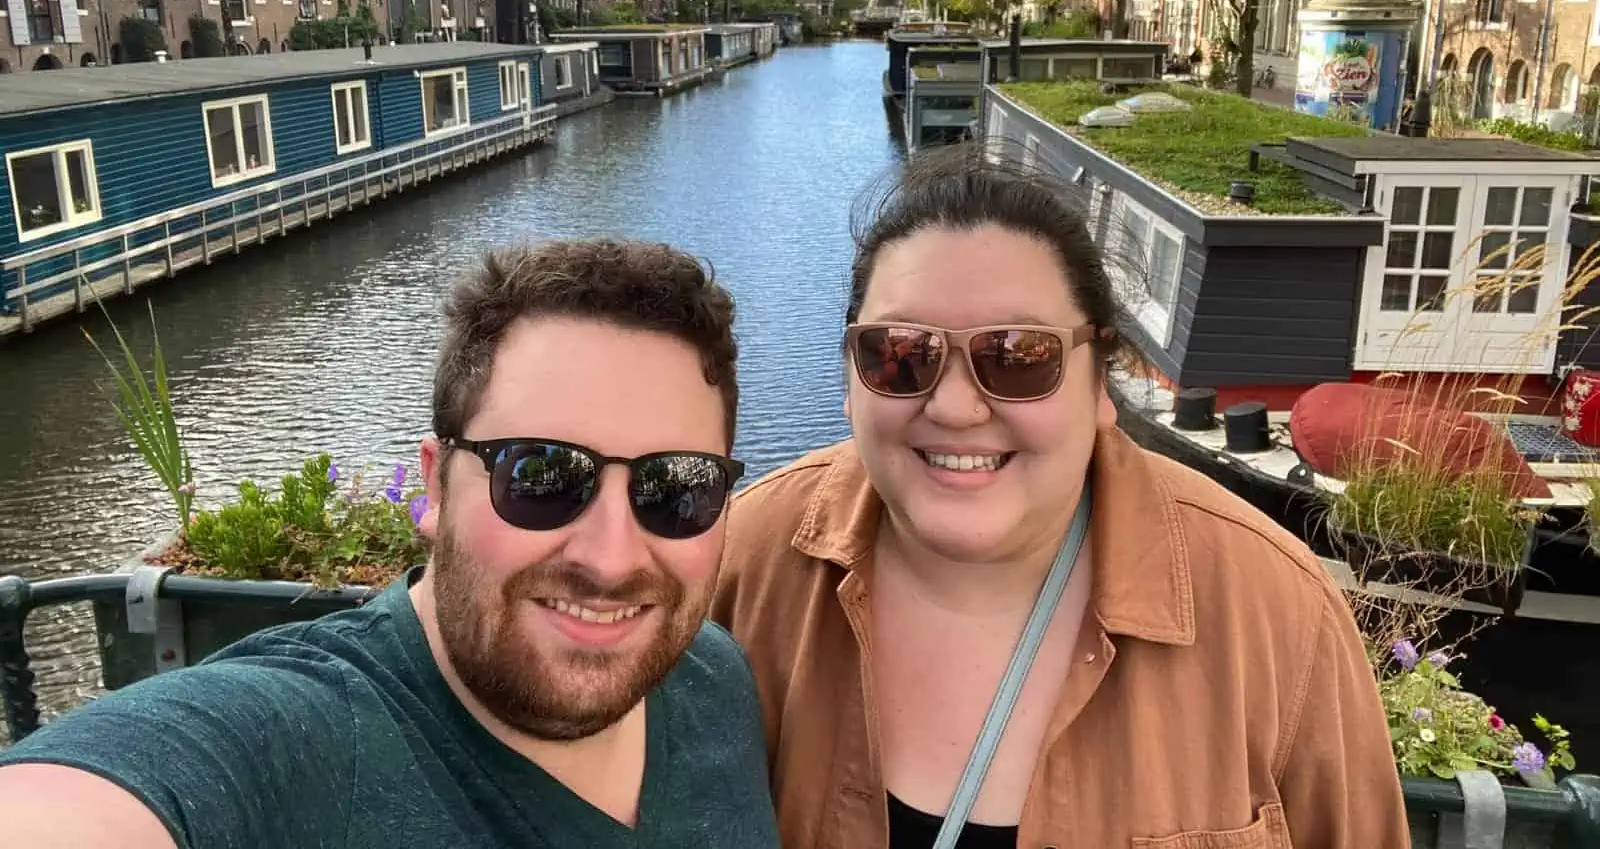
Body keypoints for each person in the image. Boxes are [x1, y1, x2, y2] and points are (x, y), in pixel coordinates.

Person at [711, 143, 1408, 848]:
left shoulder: (1275, 615)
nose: (954, 407)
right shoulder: (741, 559)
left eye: (1017, 356)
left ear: (1101, 383)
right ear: (848, 378)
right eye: (900, 354)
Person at [0, 238, 781, 849]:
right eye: (541, 478)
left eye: (675, 489)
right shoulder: (298, 744)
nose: (611, 559)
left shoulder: (713, 679)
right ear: (436, 487)